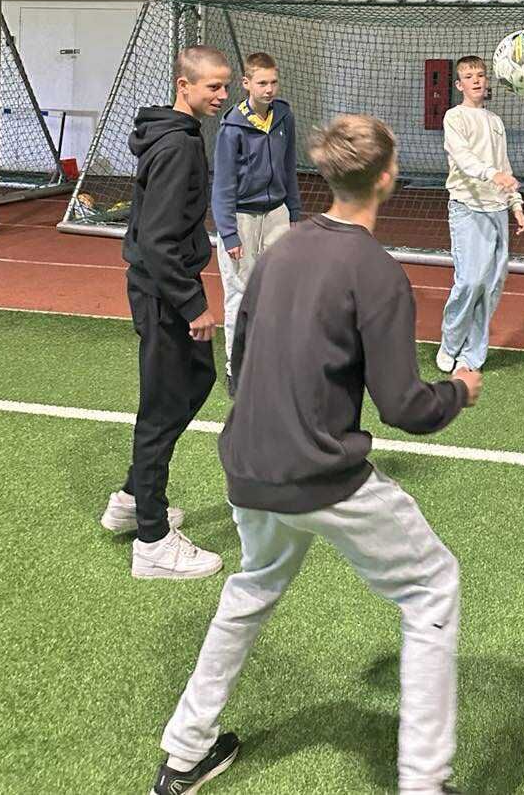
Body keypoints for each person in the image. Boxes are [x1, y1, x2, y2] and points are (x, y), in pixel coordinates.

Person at [149, 115, 480, 795]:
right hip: (321, 475)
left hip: (247, 465)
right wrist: (459, 391)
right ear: (386, 177)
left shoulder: (282, 249)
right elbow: (405, 407)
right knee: (432, 586)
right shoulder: (378, 272)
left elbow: (241, 360)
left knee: (254, 585)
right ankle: (424, 781)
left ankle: (184, 751)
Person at [100, 45, 232, 580]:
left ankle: (133, 499)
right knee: (162, 407)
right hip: (163, 291)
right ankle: (152, 539)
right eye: (213, 87)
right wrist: (193, 304)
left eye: (226, 86)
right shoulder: (177, 145)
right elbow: (157, 239)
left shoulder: (180, 135)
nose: (223, 95)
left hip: (165, 285)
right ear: (185, 86)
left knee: (196, 380)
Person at [211, 50, 303, 391]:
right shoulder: (231, 127)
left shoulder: (284, 116)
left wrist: (294, 214)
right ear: (247, 83)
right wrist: (228, 233)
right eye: (262, 83)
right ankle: (236, 368)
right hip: (241, 218)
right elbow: (222, 184)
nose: (269, 89)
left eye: (273, 82)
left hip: (277, 214)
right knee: (240, 293)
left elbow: (289, 168)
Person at [436, 55, 524, 374]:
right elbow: (463, 159)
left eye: (480, 75)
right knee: (470, 282)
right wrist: (492, 174)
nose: (476, 80)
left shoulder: (495, 121)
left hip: (497, 210)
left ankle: (472, 355)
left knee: (490, 287)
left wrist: (515, 203)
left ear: (487, 81)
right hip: (467, 207)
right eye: (469, 76)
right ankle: (450, 344)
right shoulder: (454, 117)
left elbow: (504, 165)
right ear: (459, 85)